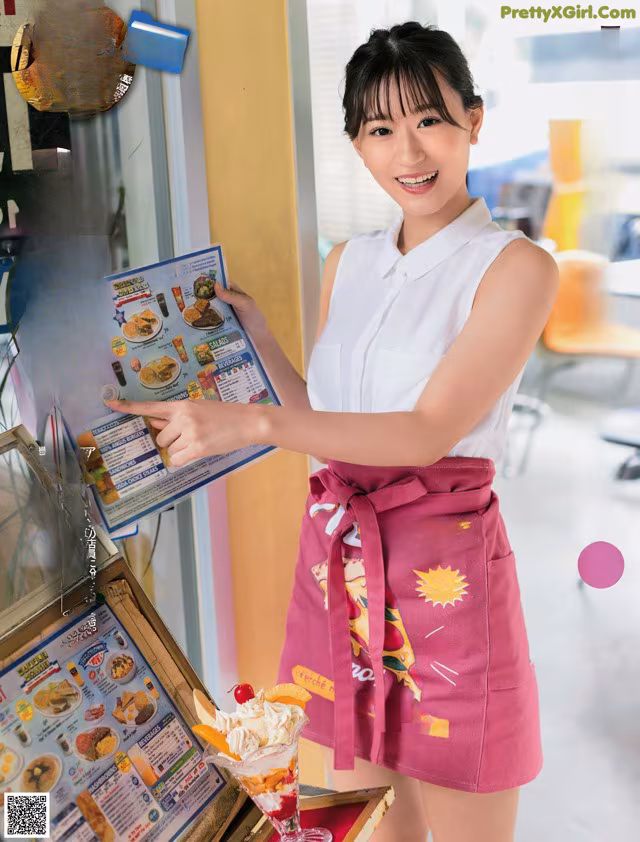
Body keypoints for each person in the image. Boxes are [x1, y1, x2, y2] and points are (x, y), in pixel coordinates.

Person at [107, 21, 558, 842]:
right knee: (373, 820)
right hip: (342, 565)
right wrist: (258, 340)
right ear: (356, 144)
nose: (407, 151)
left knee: (462, 805)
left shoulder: (516, 267)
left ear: (474, 121)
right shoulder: (349, 261)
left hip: (441, 571)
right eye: (380, 129)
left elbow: (425, 432)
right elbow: (328, 421)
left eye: (428, 119)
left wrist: (248, 422)